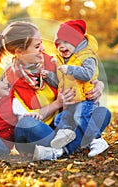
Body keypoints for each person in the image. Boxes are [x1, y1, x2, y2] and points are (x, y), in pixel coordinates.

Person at [0, 21, 111, 161]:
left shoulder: (51, 61)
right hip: (39, 132)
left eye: (41, 43)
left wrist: (98, 85)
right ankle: (73, 143)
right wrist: (57, 103)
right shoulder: (9, 81)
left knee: (102, 113)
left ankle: (59, 150)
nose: (42, 48)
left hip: (63, 128)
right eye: (36, 46)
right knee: (27, 124)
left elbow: (79, 75)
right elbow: (23, 118)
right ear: (19, 52)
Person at [45, 19, 106, 151]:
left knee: (81, 116)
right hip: (71, 101)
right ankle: (65, 135)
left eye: (65, 42)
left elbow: (88, 74)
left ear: (76, 41)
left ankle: (97, 140)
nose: (61, 46)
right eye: (58, 43)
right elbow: (59, 80)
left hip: (85, 99)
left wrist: (70, 69)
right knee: (60, 118)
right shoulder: (64, 59)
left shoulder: (87, 57)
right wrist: (48, 76)